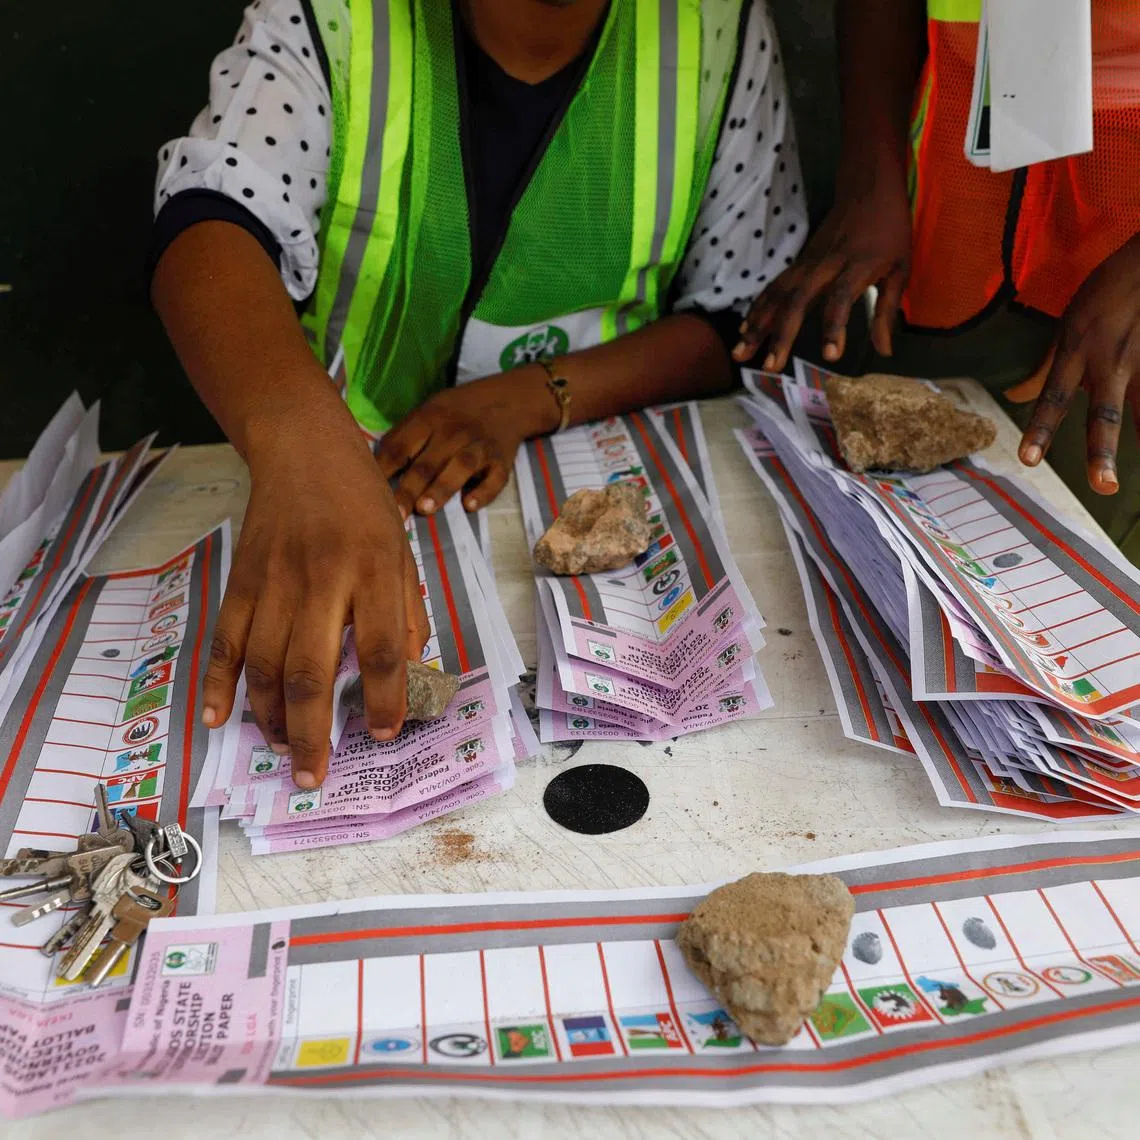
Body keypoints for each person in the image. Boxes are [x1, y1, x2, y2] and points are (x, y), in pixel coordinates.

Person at [150, 0, 807, 787]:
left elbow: (738, 312)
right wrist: (302, 446)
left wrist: (526, 397)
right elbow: (210, 220)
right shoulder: (328, 17)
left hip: (586, 481)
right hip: (353, 476)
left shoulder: (715, 24)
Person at [735, 0, 1140, 564]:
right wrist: (869, 175)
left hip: (1124, 214)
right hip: (964, 190)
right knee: (917, 538)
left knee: (1100, 540)